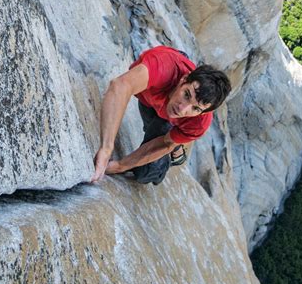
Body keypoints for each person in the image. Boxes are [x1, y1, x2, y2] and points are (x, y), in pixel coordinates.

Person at [90, 45, 231, 185]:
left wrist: (120, 166)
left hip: (170, 119)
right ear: (183, 80)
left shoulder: (199, 122)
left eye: (195, 108)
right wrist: (106, 148)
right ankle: (182, 61)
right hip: (159, 88)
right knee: (153, 120)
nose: (183, 108)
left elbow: (165, 143)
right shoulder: (163, 67)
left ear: (203, 112)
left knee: (145, 172)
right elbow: (120, 86)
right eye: (187, 94)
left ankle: (175, 151)